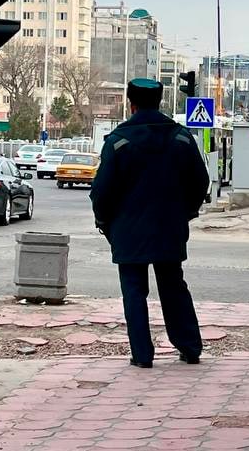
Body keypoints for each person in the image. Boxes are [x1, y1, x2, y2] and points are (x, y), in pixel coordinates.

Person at [90, 78, 209, 369]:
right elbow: (201, 181)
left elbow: (102, 190)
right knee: (173, 285)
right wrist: (187, 212)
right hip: (170, 225)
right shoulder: (181, 137)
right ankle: (189, 347)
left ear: (130, 103)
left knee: (134, 290)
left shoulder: (118, 141)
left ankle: (142, 355)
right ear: (160, 102)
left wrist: (104, 221)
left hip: (128, 230)